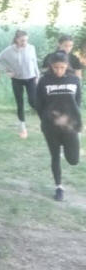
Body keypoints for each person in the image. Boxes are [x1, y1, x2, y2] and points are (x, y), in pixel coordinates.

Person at [36, 52, 81, 201]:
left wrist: (77, 122)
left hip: (70, 126)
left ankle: (66, 148)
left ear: (67, 65)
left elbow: (77, 102)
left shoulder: (74, 80)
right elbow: (39, 103)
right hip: (51, 126)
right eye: (56, 67)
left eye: (62, 67)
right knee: (55, 156)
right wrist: (45, 119)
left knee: (73, 160)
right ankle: (59, 187)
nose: (59, 70)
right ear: (51, 66)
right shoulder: (44, 81)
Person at [0, 29, 40, 139]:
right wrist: (7, 70)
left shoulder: (31, 48)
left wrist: (37, 76)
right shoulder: (9, 50)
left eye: (26, 40)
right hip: (17, 79)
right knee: (20, 103)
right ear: (16, 40)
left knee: (33, 102)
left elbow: (34, 62)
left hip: (31, 78)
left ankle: (46, 120)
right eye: (22, 40)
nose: (25, 43)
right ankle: (22, 128)